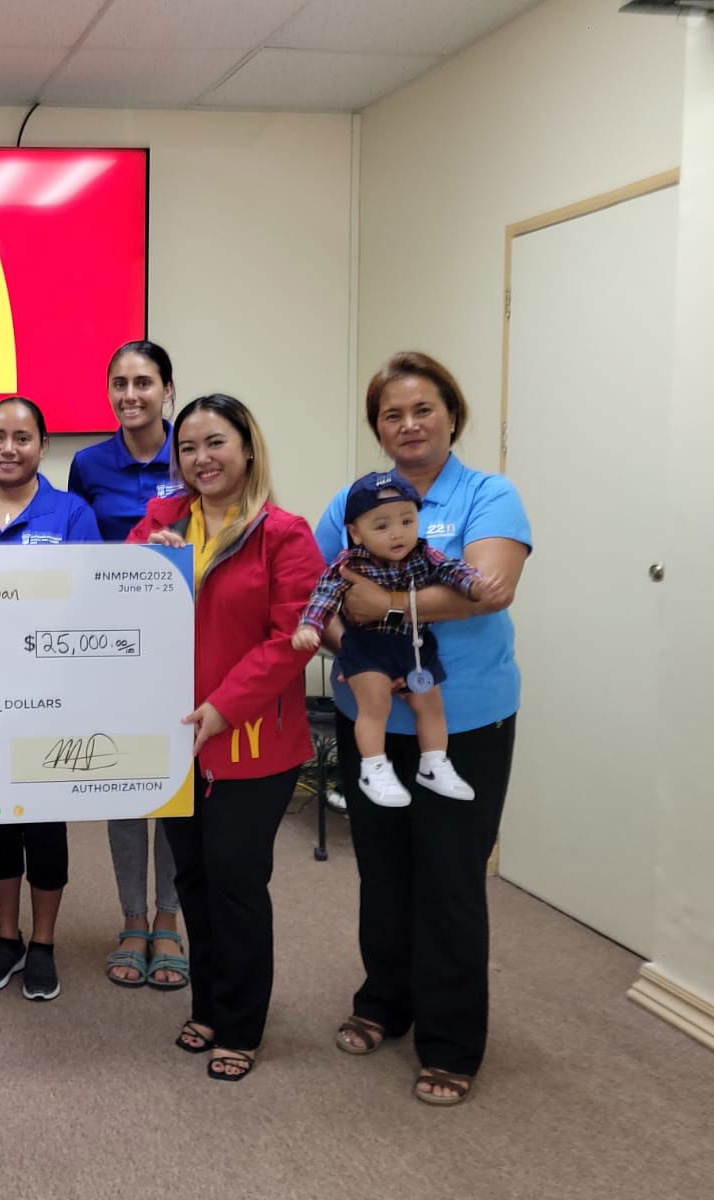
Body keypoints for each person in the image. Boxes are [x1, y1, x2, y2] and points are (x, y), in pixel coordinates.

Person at [317, 352, 529, 1107]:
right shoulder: (353, 497)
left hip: (464, 720)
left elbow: (488, 590)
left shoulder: (488, 494)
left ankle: (449, 1041)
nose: (407, 426)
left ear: (451, 414)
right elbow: (326, 593)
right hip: (371, 721)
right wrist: (363, 652)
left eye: (422, 410)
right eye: (391, 414)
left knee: (448, 878)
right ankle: (385, 1001)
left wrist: (390, 609)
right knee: (382, 870)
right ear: (377, 426)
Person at [131, 393, 324, 1082]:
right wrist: (144, 563)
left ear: (247, 447)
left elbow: (290, 642)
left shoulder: (285, 532)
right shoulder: (159, 522)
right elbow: (116, 602)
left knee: (238, 881)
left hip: (251, 744)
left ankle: (241, 1024)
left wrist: (223, 706)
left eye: (215, 443)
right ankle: (208, 1004)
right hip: (173, 740)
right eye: (187, 448)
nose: (201, 459)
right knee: (194, 878)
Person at [0, 397, 100, 1002]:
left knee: (44, 824)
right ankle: (6, 939)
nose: (9, 448)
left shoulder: (72, 514)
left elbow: (89, 603)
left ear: (43, 446)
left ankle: (44, 944)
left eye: (23, 437)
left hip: (51, 698)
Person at [68, 340, 187, 989]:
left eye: (144, 382)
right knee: (122, 780)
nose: (130, 394)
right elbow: (82, 555)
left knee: (169, 780)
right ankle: (132, 918)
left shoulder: (194, 450)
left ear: (168, 389)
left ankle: (169, 918)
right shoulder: (88, 464)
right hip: (115, 648)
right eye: (120, 383)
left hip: (182, 645)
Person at [293, 471, 502, 807]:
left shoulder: (424, 554)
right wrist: (309, 627)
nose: (398, 534)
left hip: (414, 647)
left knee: (429, 702)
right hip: (367, 647)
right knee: (375, 703)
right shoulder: (349, 564)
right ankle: (373, 767)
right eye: (382, 526)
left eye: (407, 521)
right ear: (355, 533)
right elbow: (323, 597)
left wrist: (473, 583)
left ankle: (433, 764)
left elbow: (452, 569)